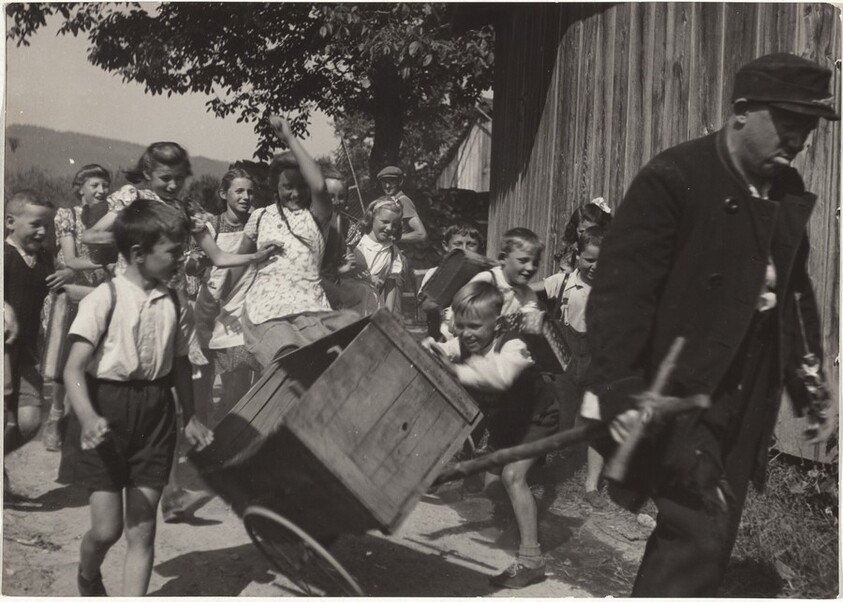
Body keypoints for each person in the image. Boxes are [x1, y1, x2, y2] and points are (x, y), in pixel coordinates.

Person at [586, 53, 838, 596]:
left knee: (707, 537)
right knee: (696, 532)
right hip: (681, 390)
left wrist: (811, 385)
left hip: (746, 393)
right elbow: (620, 296)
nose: (798, 139)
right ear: (741, 111)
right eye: (788, 122)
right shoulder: (676, 177)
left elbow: (794, 294)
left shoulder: (786, 190)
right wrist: (620, 386)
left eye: (809, 127)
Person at [63, 199, 214, 596]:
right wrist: (88, 416)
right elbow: (73, 369)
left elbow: (180, 364)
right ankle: (88, 575)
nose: (180, 259)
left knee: (142, 529)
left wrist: (191, 416)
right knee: (106, 530)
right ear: (138, 253)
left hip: (155, 414)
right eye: (173, 252)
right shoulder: (104, 298)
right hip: (105, 410)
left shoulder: (176, 302)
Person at [421, 281, 558, 589]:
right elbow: (444, 348)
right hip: (507, 425)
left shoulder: (512, 345)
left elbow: (500, 376)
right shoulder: (464, 342)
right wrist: (430, 346)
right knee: (493, 487)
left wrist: (456, 370)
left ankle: (532, 561)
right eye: (461, 326)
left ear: (496, 323)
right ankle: (526, 524)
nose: (466, 333)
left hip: (537, 419)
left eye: (475, 326)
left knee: (512, 477)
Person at [233, 115, 359, 368]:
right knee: (288, 355)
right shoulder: (260, 217)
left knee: (337, 352)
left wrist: (290, 138)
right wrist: (217, 301)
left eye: (301, 186)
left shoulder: (317, 216)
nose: (295, 193)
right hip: (266, 310)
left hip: (308, 306)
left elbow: (320, 187)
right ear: (275, 187)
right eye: (287, 186)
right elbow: (239, 263)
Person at [41, 164, 113, 452]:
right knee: (63, 361)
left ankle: (75, 422)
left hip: (97, 293)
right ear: (80, 188)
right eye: (95, 185)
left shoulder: (110, 217)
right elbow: (70, 258)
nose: (101, 191)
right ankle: (55, 414)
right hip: (70, 295)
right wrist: (104, 263)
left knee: (88, 361)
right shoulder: (67, 216)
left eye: (105, 185)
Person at [4, 191, 73, 466]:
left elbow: (61, 280)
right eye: (35, 224)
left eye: (46, 225)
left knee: (30, 421)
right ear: (10, 222)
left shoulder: (43, 258)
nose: (43, 231)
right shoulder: (4, 256)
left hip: (26, 352)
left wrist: (67, 273)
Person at [542, 225, 607, 508]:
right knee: (558, 417)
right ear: (577, 255)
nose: (595, 266)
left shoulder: (614, 288)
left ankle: (591, 485)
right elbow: (529, 293)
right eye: (589, 259)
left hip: (597, 362)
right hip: (565, 360)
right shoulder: (562, 282)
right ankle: (538, 468)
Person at [193, 168, 262, 426]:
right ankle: (201, 430)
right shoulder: (212, 225)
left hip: (241, 307)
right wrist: (195, 262)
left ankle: (227, 432)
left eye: (250, 192)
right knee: (203, 379)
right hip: (211, 307)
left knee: (237, 380)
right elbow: (195, 261)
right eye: (239, 191)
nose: (245, 197)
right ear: (224, 194)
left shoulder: (258, 223)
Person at [418, 221, 484, 341]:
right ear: (445, 246)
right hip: (442, 337)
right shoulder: (434, 273)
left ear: (479, 247)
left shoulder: (482, 276)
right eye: (458, 244)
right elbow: (426, 309)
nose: (464, 249)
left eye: (471, 244)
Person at [338, 198, 404, 315]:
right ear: (372, 217)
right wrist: (367, 279)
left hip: (371, 306)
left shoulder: (392, 251)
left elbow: (390, 285)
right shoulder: (356, 242)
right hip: (349, 304)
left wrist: (387, 314)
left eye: (394, 225)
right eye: (385, 222)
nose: (389, 228)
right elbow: (342, 274)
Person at [467, 227, 542, 316]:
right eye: (523, 260)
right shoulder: (486, 281)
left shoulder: (528, 294)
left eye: (535, 262)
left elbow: (530, 321)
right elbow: (463, 310)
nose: (530, 268)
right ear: (502, 258)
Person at [554, 197, 612, 274]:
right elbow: (559, 278)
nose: (587, 235)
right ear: (575, 230)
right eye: (582, 231)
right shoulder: (572, 254)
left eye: (593, 230)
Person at [375, 165, 428, 245]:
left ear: (400, 182)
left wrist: (392, 238)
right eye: (384, 182)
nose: (387, 186)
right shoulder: (387, 201)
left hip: (399, 251)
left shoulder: (403, 201)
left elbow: (421, 234)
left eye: (391, 182)